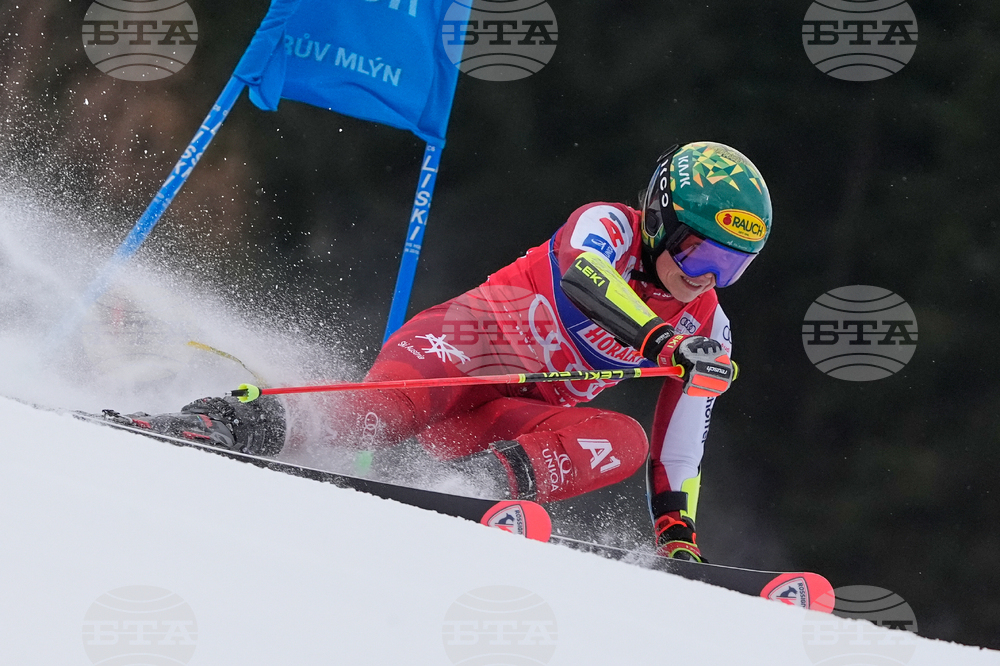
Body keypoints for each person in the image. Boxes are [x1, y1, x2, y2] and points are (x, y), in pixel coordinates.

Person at [121, 141, 771, 562]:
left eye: (732, 266)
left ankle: (472, 488)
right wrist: (665, 340)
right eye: (699, 253)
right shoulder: (606, 227)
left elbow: (678, 448)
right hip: (460, 350)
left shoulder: (708, 325)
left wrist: (678, 541)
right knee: (379, 416)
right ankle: (226, 420)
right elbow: (585, 278)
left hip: (501, 419)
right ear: (658, 220)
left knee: (623, 439)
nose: (707, 278)